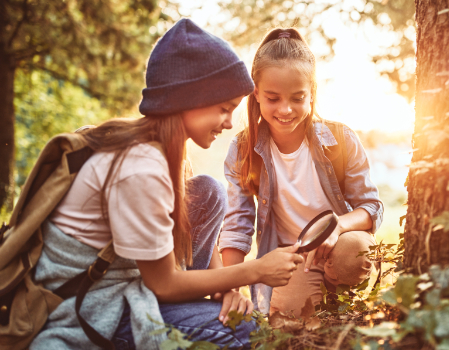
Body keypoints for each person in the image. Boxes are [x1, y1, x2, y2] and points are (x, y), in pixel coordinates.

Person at [30, 19, 303, 350]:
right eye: (223, 109)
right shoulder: (141, 168)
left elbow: (185, 237)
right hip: (89, 305)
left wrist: (227, 290)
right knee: (244, 331)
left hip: (126, 281)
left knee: (207, 191)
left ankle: (208, 306)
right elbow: (163, 284)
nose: (229, 122)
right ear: (187, 99)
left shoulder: (160, 149)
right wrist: (255, 271)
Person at [219, 28, 383, 317]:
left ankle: (342, 300)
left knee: (352, 256)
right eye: (272, 98)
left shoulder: (341, 139)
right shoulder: (243, 149)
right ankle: (319, 305)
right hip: (293, 257)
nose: (285, 109)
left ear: (312, 95)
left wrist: (337, 227)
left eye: (297, 98)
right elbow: (237, 225)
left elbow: (371, 207)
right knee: (294, 321)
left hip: (342, 244)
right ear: (256, 93)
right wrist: (230, 288)